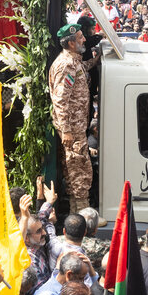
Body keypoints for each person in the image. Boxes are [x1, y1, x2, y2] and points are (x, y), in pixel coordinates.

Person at [48, 24, 93, 211]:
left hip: (76, 127)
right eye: (81, 38)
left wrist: (97, 60)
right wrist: (66, 130)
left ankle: (78, 213)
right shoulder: (66, 65)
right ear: (71, 43)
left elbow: (83, 68)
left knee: (74, 169)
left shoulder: (73, 61)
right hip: (72, 130)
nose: (84, 40)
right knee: (80, 170)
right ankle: (83, 214)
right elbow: (60, 100)